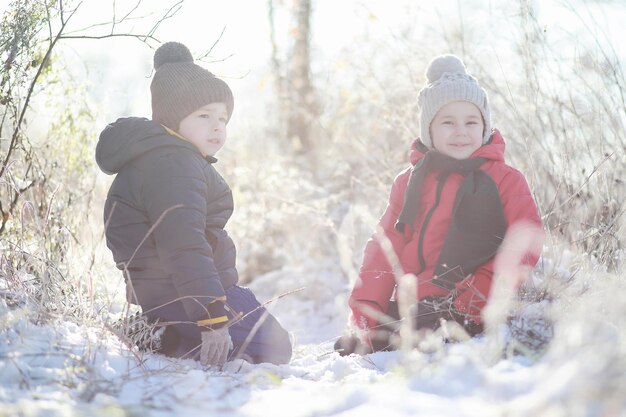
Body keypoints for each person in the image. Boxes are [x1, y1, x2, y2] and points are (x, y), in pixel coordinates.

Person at [96, 41, 292, 365]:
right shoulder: (174, 163)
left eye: (223, 118)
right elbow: (182, 243)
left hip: (181, 292)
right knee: (274, 348)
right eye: (205, 115)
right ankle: (160, 335)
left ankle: (165, 331)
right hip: (181, 295)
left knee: (269, 337)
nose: (218, 125)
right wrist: (212, 317)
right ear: (174, 118)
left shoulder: (172, 157)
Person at [336, 54, 542, 355]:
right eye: (448, 122)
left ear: (484, 127)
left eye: (471, 122)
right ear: (429, 130)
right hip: (416, 304)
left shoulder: (505, 180)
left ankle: (431, 335)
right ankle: (380, 334)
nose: (461, 131)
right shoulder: (410, 182)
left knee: (423, 334)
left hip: (472, 302)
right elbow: (384, 247)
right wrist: (367, 309)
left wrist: (478, 295)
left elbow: (525, 242)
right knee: (363, 340)